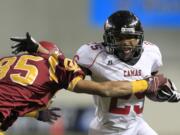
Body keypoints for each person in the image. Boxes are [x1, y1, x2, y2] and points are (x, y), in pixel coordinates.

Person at [0, 35, 167, 135]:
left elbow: (10, 100)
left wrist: (35, 114)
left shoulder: (7, 61)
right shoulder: (57, 67)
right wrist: (145, 84)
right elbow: (106, 89)